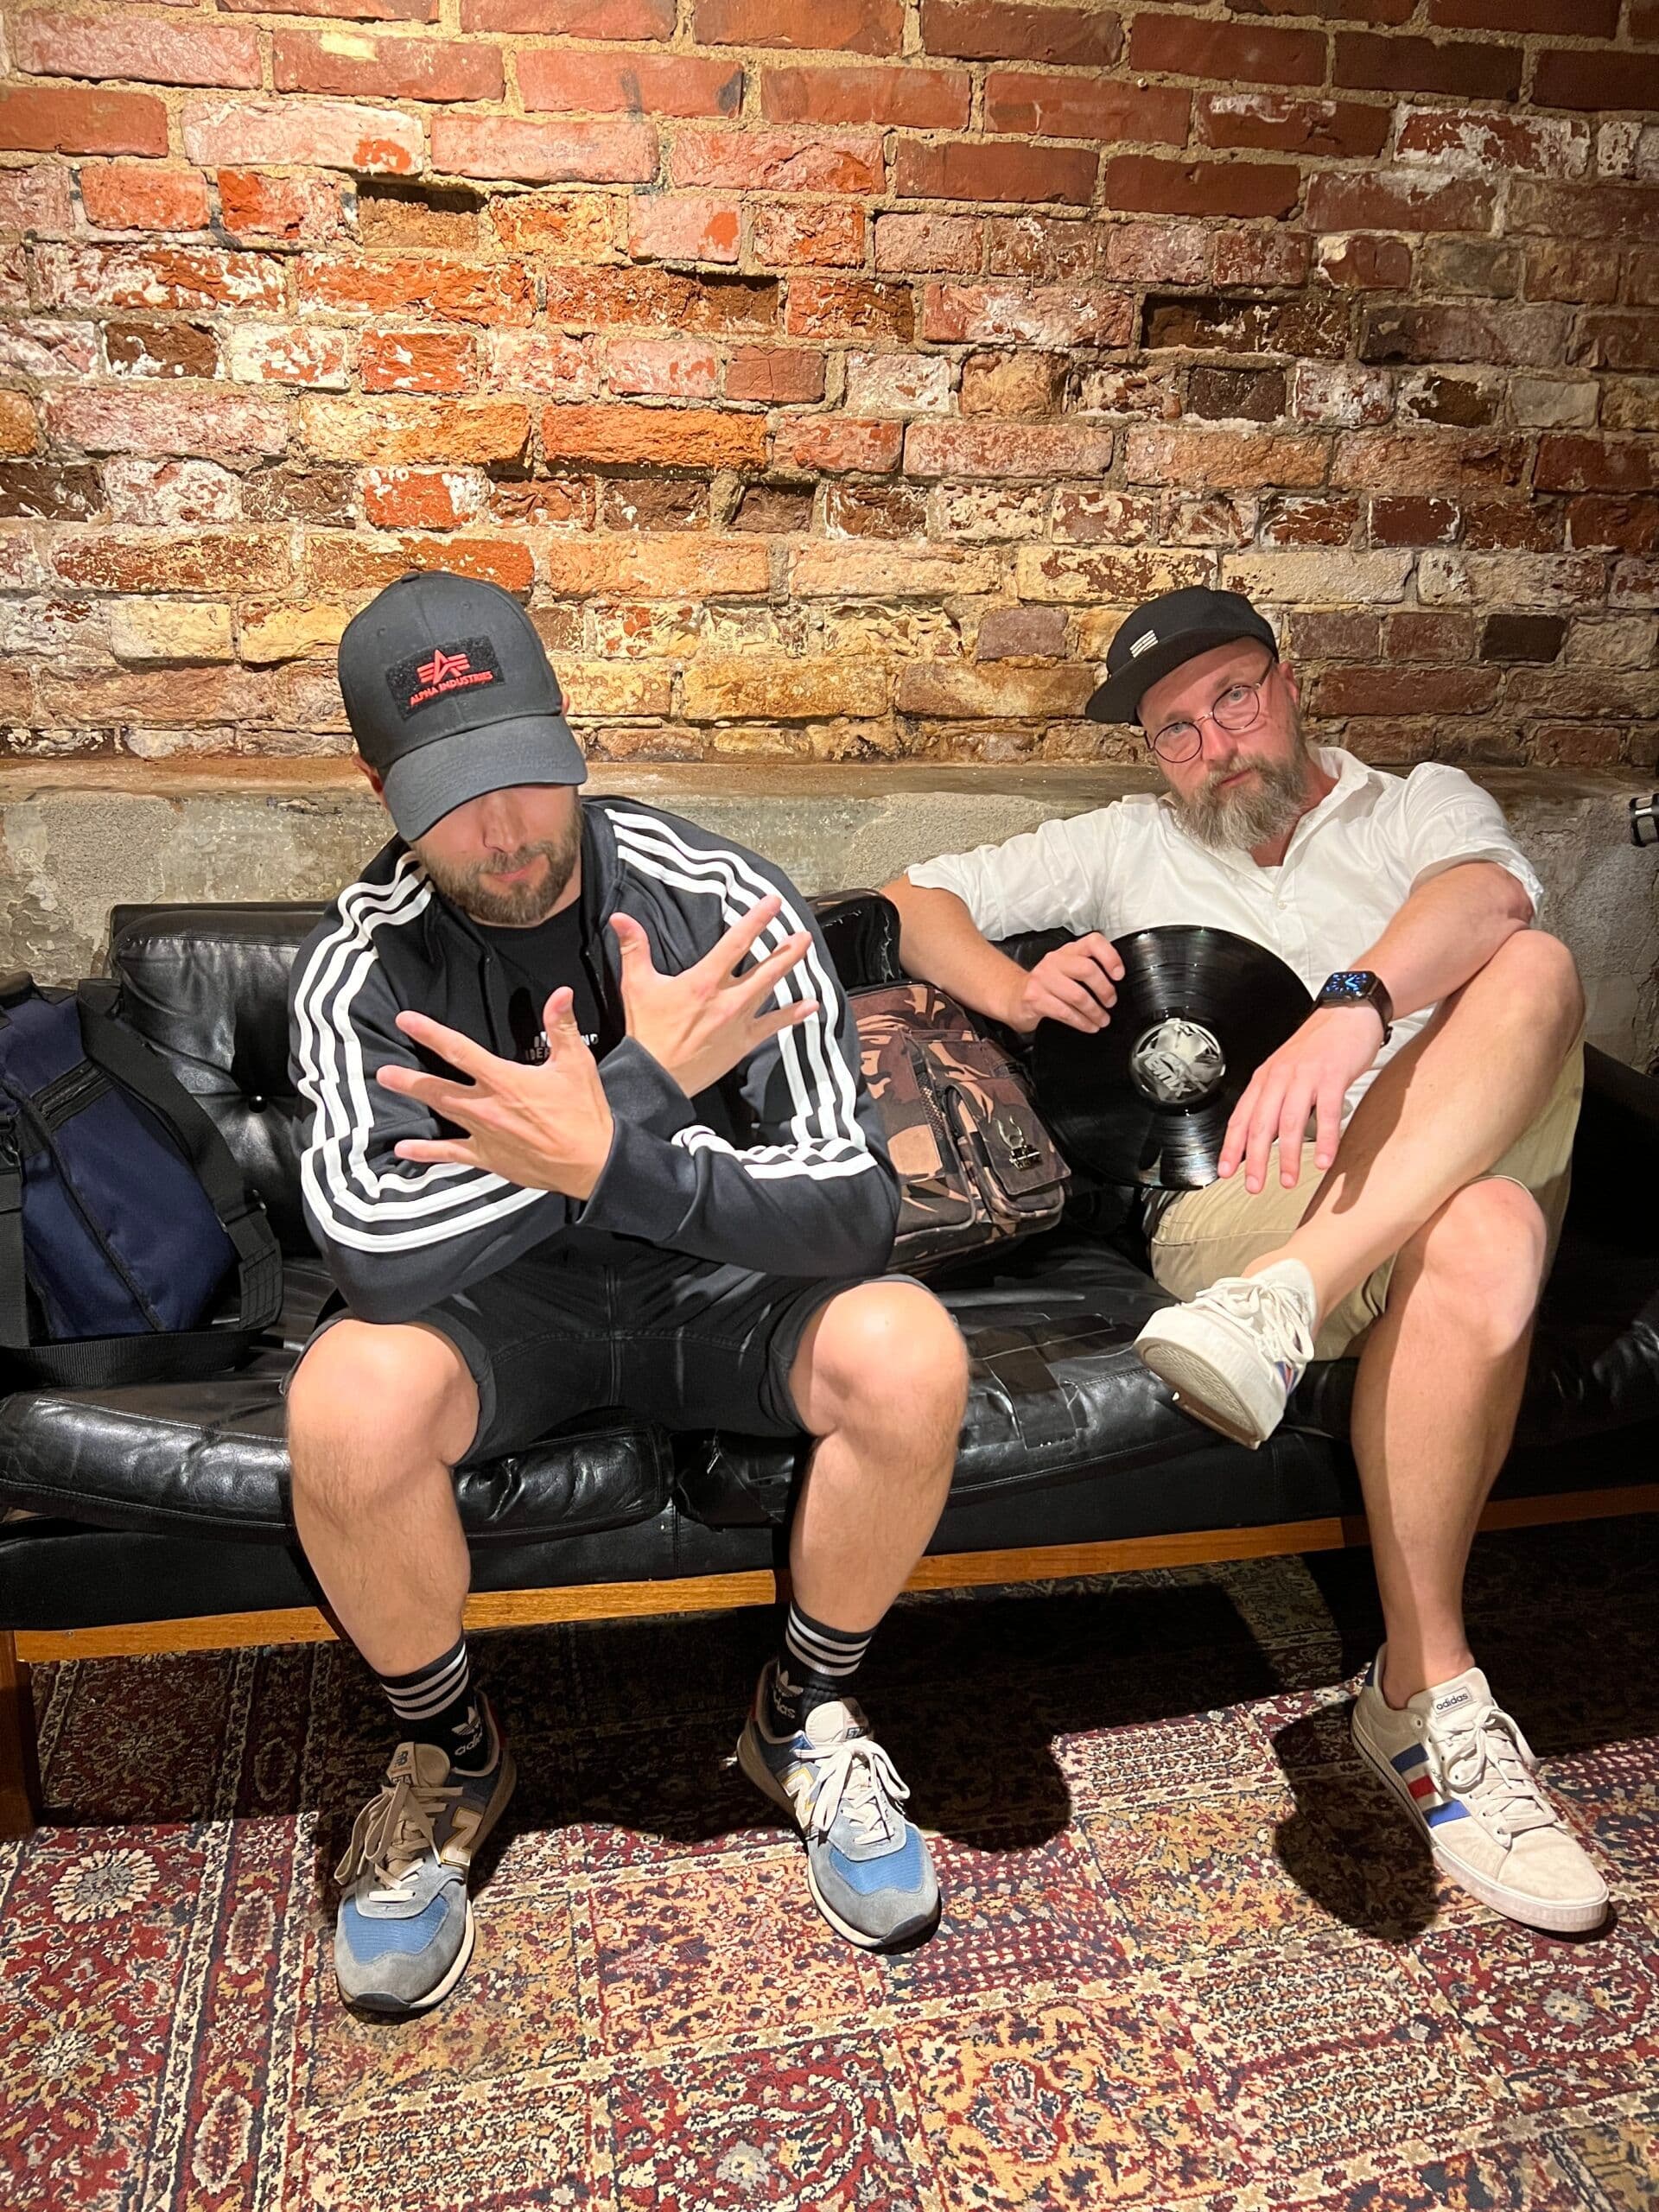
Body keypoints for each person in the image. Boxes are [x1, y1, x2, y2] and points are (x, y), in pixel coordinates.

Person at [287, 569, 967, 2014]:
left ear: (570, 734)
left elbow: (856, 1208)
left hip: (714, 1293)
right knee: (345, 1399)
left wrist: (614, 1166)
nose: (506, 829)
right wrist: (642, 1095)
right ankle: (450, 1750)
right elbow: (371, 1253)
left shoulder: (717, 899)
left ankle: (804, 1713)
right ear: (382, 790)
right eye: (455, 796)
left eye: (526, 773)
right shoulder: (361, 960)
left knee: (909, 1349)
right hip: (505, 1315)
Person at [883, 584, 1607, 1937]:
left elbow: (1489, 894)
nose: (1215, 744)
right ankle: (1427, 1695)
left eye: (1233, 698)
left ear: (1290, 681)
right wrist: (1010, 986)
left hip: (1407, 1167)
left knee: (1533, 971)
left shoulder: (1413, 806)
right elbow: (910, 902)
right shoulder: (1128, 843)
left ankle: (1292, 1311)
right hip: (1248, 1204)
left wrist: (1352, 1008)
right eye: (1176, 729)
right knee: (1493, 1231)